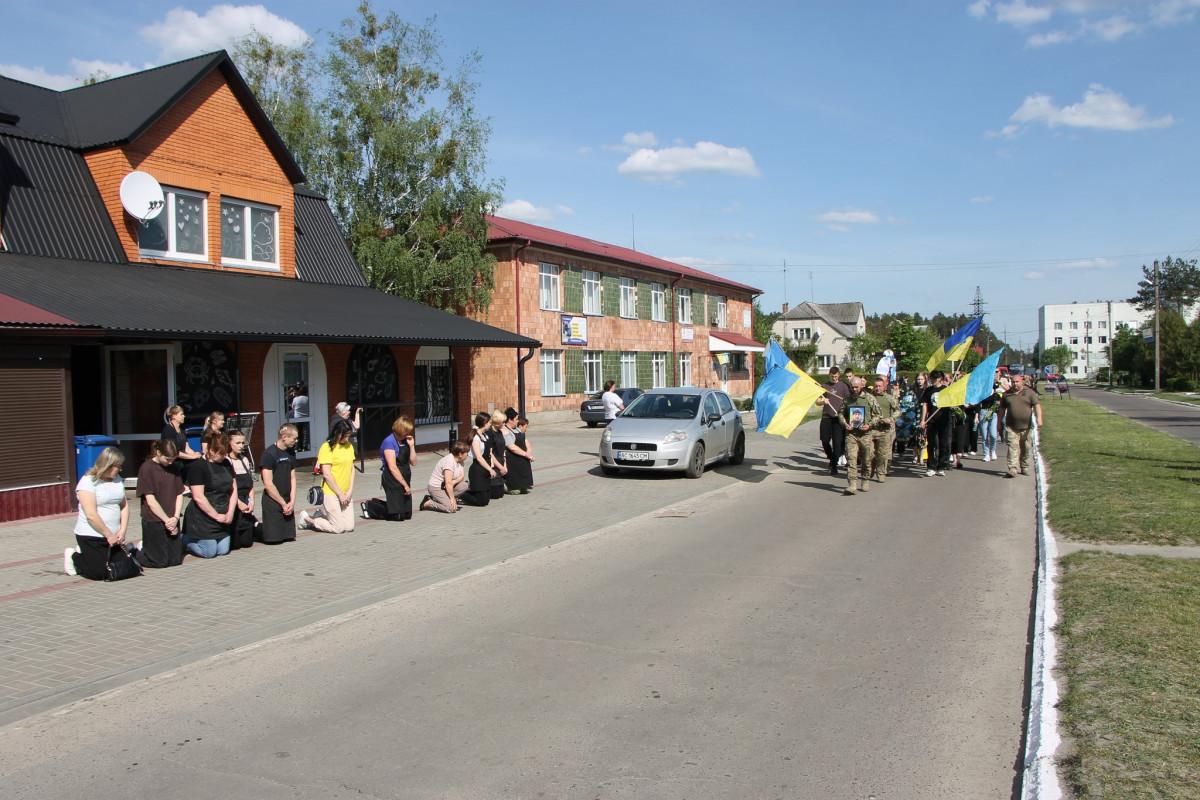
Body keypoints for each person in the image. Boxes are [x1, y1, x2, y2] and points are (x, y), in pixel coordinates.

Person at [64, 446, 134, 579]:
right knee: (100, 572)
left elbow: (124, 506)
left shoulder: (117, 479)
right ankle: (75, 557)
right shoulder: (88, 482)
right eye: (118, 466)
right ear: (108, 465)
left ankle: (90, 555)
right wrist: (108, 535)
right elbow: (91, 515)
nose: (121, 469)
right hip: (92, 535)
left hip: (114, 536)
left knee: (124, 567)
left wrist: (122, 530)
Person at [183, 433, 236, 558]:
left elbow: (233, 489)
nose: (224, 456)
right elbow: (198, 497)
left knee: (223, 550)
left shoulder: (226, 463)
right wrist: (216, 516)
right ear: (211, 451)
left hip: (223, 513)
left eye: (225, 454)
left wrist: (230, 512)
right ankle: (185, 540)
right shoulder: (198, 466)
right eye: (221, 454)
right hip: (203, 516)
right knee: (209, 552)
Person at [134, 439, 184, 569]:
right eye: (167, 459)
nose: (170, 462)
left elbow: (179, 493)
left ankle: (150, 548)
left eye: (173, 459)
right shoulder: (147, 468)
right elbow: (150, 501)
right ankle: (137, 552)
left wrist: (175, 518)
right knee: (160, 562)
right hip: (154, 519)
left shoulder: (174, 468)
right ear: (158, 452)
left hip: (172, 517)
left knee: (175, 560)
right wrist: (167, 520)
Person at [302, 419, 356, 533]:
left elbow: (352, 470)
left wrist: (349, 491)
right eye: (345, 436)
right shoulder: (327, 447)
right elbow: (327, 474)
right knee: (339, 528)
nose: (347, 439)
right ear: (337, 433)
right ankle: (308, 519)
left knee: (349, 527)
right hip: (331, 492)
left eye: (348, 436)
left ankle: (322, 516)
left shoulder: (349, 446)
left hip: (346, 492)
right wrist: (340, 494)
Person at [362, 416, 417, 521]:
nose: (408, 433)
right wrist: (405, 485)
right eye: (407, 431)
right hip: (393, 479)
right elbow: (392, 467)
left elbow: (413, 462)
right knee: (398, 516)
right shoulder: (389, 442)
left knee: (407, 515)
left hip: (405, 476)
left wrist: (411, 446)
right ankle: (370, 506)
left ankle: (390, 507)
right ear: (401, 430)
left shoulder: (406, 441)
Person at [840, 376, 882, 495]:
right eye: (852, 387)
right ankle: (852, 484)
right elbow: (840, 413)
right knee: (851, 459)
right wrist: (845, 423)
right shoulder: (847, 399)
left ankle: (865, 479)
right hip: (851, 434)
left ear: (862, 386)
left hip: (866, 434)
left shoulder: (869, 398)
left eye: (856, 387)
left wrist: (869, 425)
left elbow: (879, 415)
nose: (854, 389)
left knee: (867, 459)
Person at [259, 424, 299, 544]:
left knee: (289, 537)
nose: (296, 441)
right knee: (274, 540)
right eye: (294, 438)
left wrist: (292, 502)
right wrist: (282, 503)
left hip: (287, 502)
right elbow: (268, 484)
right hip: (273, 501)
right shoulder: (269, 454)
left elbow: (292, 478)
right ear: (284, 437)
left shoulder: (291, 453)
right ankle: (256, 528)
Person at [999, 374, 1043, 477]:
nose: (1015, 384)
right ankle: (1012, 468)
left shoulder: (1029, 393)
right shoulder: (1007, 395)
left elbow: (1037, 405)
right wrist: (999, 423)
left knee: (1026, 448)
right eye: (1013, 382)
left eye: (1017, 382)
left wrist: (1039, 418)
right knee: (1012, 448)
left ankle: (1024, 466)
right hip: (1011, 427)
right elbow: (1001, 410)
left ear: (1022, 382)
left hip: (1026, 427)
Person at [419, 441, 471, 512]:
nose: (467, 455)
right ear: (460, 454)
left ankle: (445, 500)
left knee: (464, 485)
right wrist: (452, 499)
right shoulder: (449, 462)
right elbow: (448, 483)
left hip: (447, 486)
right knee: (451, 508)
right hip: (436, 487)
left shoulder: (461, 461)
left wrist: (454, 482)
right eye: (466, 453)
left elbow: (462, 476)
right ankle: (428, 503)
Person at [465, 412, 502, 506]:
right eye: (489, 422)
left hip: (485, 468)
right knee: (481, 502)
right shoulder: (475, 438)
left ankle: (471, 491)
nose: (490, 425)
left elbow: (489, 453)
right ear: (485, 423)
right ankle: (460, 494)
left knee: (487, 499)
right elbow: (479, 458)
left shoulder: (485, 436)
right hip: (478, 470)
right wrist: (490, 470)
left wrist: (491, 467)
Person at [227, 430, 256, 549]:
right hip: (233, 503)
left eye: (242, 443)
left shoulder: (244, 460)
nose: (241, 446)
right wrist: (238, 503)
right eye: (237, 443)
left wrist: (252, 500)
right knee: (235, 544)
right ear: (229, 443)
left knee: (247, 542)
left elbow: (250, 484)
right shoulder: (226, 461)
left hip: (245, 504)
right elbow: (226, 488)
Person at [920, 370, 952, 476]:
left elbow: (952, 403)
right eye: (931, 378)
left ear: (939, 379)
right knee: (932, 443)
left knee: (944, 443)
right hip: (932, 420)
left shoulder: (946, 390)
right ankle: (931, 466)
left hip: (944, 419)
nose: (932, 380)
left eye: (934, 378)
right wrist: (923, 420)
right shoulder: (928, 390)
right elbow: (925, 405)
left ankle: (941, 466)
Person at [819, 366, 849, 476]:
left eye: (836, 376)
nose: (834, 378)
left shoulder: (843, 386)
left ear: (839, 375)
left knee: (837, 443)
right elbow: (817, 401)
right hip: (827, 417)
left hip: (838, 418)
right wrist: (823, 401)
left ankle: (833, 464)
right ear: (829, 375)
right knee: (825, 440)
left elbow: (848, 401)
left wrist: (842, 413)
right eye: (832, 376)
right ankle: (832, 458)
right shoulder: (825, 386)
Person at [868, 375, 896, 484]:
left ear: (884, 386)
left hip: (884, 430)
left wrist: (891, 419)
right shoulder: (869, 398)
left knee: (883, 454)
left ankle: (881, 473)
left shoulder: (889, 398)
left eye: (880, 386)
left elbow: (898, 411)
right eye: (876, 386)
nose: (877, 388)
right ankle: (870, 469)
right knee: (869, 453)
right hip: (871, 429)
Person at [161, 405, 201, 475]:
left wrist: (196, 455)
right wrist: (192, 457)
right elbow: (174, 452)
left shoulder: (181, 430)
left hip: (181, 460)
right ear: (174, 416)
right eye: (181, 414)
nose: (184, 416)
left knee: (199, 463)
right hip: (171, 462)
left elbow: (187, 448)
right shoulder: (168, 430)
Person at [505, 417, 535, 494]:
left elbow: (526, 441)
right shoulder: (507, 431)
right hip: (513, 460)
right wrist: (526, 455)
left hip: (522, 460)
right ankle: (503, 485)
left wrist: (528, 451)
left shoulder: (519, 431)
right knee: (515, 491)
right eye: (526, 426)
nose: (526, 429)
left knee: (524, 489)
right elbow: (512, 447)